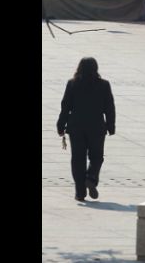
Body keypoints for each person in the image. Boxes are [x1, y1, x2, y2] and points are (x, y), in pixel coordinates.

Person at [57, 57, 115, 202]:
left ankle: (80, 193)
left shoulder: (72, 84)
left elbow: (65, 106)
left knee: (78, 159)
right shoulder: (104, 85)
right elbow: (109, 107)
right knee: (96, 157)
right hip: (96, 126)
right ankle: (91, 177)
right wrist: (111, 125)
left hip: (76, 126)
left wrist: (60, 125)